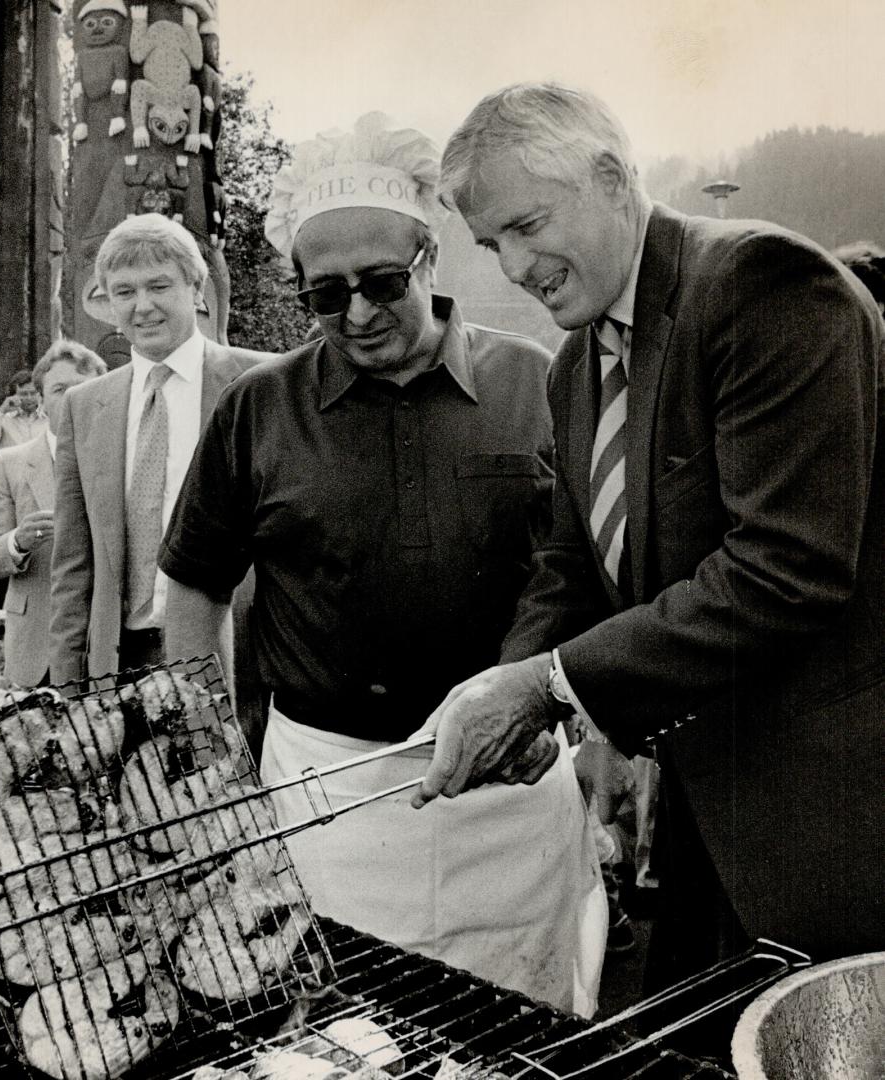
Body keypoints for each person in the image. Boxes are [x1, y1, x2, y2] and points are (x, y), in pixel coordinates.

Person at [412, 83, 885, 987]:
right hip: (708, 823)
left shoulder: (762, 284)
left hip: (837, 823)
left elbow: (784, 572)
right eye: (488, 245)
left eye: (526, 225)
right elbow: (570, 565)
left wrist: (547, 687)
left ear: (611, 178)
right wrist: (503, 685)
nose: (512, 266)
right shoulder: (573, 365)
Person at [160, 112, 607, 1017]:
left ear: (431, 258)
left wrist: (584, 724)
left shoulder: (544, 382)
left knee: (525, 1031)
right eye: (326, 295)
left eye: (381, 283)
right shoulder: (259, 407)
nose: (357, 314)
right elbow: (194, 584)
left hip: (512, 795)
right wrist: (209, 765)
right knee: (340, 1038)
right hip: (331, 794)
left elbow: (594, 565)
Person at [48, 213, 273, 683]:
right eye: (124, 292)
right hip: (122, 663)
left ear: (196, 289)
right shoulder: (83, 406)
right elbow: (73, 563)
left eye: (159, 286)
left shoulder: (261, 384)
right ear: (108, 303)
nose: (142, 306)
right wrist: (70, 682)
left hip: (234, 657)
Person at [0, 340, 106, 685]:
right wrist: (17, 542)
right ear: (42, 400)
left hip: (112, 647)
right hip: (39, 651)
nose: (74, 398)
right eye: (60, 389)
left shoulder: (122, 461)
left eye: (86, 388)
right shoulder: (8, 463)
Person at [0, 369, 47, 451]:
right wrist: (1, 410)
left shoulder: (49, 418)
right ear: (14, 395)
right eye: (23, 394)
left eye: (33, 393)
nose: (29, 398)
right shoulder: (4, 418)